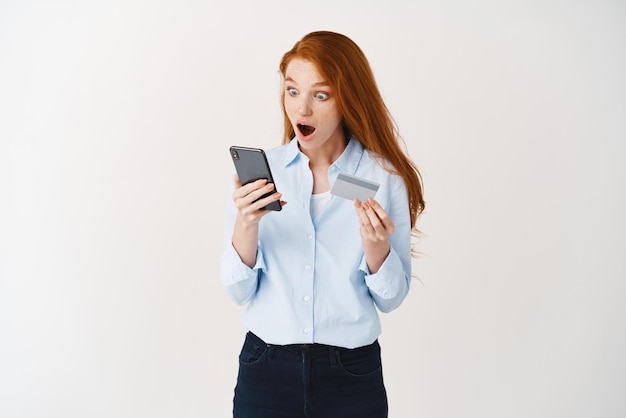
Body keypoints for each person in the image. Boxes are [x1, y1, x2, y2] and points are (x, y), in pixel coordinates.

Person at [220, 30, 425, 418]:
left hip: (350, 375)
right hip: (266, 370)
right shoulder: (265, 173)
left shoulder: (381, 177)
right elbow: (238, 291)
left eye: (321, 95)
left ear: (348, 98)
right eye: (293, 91)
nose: (302, 110)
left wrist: (376, 247)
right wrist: (246, 224)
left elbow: (391, 298)